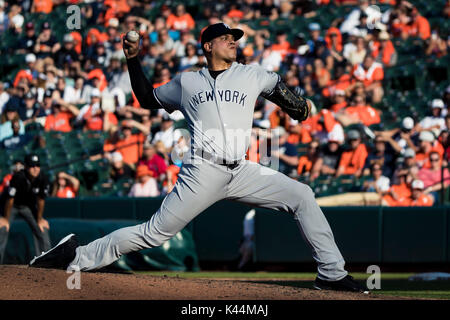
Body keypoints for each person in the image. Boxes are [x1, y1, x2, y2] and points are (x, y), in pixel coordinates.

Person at [29, 23, 366, 293]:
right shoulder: (188, 81)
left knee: (302, 195)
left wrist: (299, 107)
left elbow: (281, 91)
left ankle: (332, 274)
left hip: (243, 169)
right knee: (153, 234)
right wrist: (133, 59)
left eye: (234, 38)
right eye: (224, 38)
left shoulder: (250, 74)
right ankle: (77, 256)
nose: (233, 42)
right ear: (208, 46)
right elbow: (147, 98)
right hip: (202, 171)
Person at [0, 154, 51, 264]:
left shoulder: (43, 178)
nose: (35, 168)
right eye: (32, 166)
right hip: (11, 206)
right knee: (2, 227)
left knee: (41, 228)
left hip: (28, 206)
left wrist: (40, 219)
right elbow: (10, 199)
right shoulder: (18, 177)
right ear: (26, 167)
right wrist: (5, 218)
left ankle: (46, 263)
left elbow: (41, 200)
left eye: (37, 165)